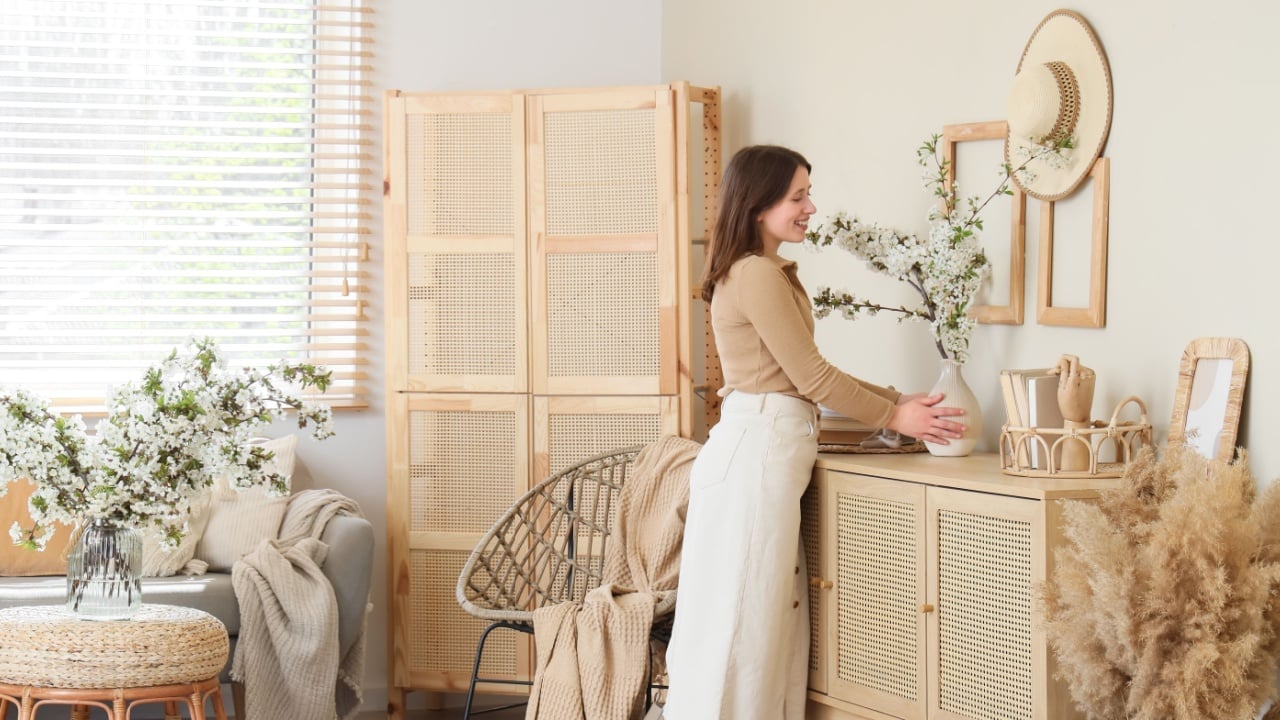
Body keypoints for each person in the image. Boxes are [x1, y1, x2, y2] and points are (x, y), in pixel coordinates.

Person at [660, 145, 967, 720]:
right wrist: (897, 417)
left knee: (762, 626)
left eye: (807, 194)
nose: (810, 207)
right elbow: (812, 377)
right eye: (797, 196)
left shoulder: (760, 272)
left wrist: (895, 398)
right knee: (741, 630)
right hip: (755, 457)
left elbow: (804, 371)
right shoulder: (755, 276)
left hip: (762, 454)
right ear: (758, 206)